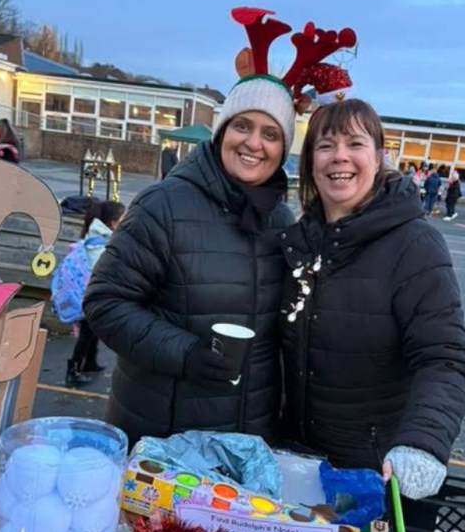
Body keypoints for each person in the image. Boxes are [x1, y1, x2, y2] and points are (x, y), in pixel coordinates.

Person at [84, 69, 297, 446]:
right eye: (242, 126)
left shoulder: (281, 221)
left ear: (283, 148)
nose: (253, 143)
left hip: (247, 441)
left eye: (270, 134)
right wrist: (186, 354)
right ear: (222, 132)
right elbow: (105, 303)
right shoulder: (163, 205)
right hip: (166, 439)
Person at [279, 99, 465, 498]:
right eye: (325, 146)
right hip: (295, 464)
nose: (340, 156)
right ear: (311, 161)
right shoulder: (299, 241)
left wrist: (423, 441)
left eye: (355, 144)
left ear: (379, 156)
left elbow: (445, 357)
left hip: (372, 475)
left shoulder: (414, 244)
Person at [65, 200, 126, 386]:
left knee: (92, 331)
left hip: (89, 293)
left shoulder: (99, 236)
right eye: (123, 218)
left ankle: (90, 362)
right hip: (90, 295)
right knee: (87, 333)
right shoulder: (101, 243)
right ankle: (73, 370)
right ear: (113, 223)